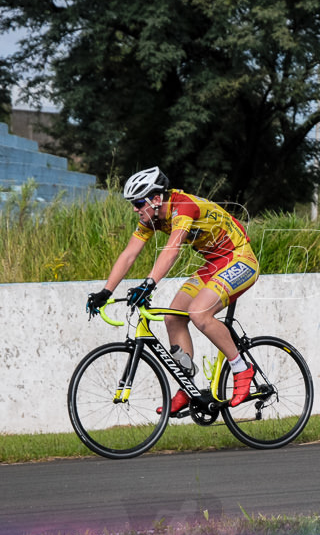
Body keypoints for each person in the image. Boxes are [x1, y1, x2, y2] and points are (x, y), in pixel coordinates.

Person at [85, 167, 260, 413]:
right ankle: (188, 387)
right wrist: (106, 291)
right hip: (214, 263)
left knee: (199, 313)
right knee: (173, 317)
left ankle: (242, 369)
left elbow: (172, 249)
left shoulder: (183, 207)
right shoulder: (152, 217)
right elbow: (129, 254)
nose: (135, 209)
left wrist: (149, 283)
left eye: (138, 202)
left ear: (156, 199)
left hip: (240, 258)